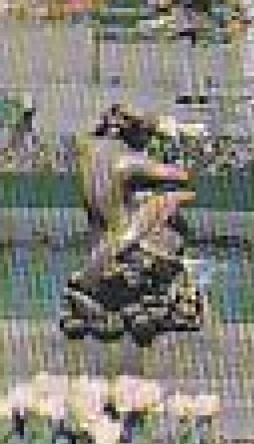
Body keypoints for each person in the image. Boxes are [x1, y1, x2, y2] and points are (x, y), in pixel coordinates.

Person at [61, 104, 205, 346]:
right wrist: (174, 136)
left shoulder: (87, 147)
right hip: (123, 244)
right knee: (171, 216)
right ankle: (158, 299)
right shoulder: (130, 160)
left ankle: (101, 297)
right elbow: (183, 177)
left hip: (99, 247)